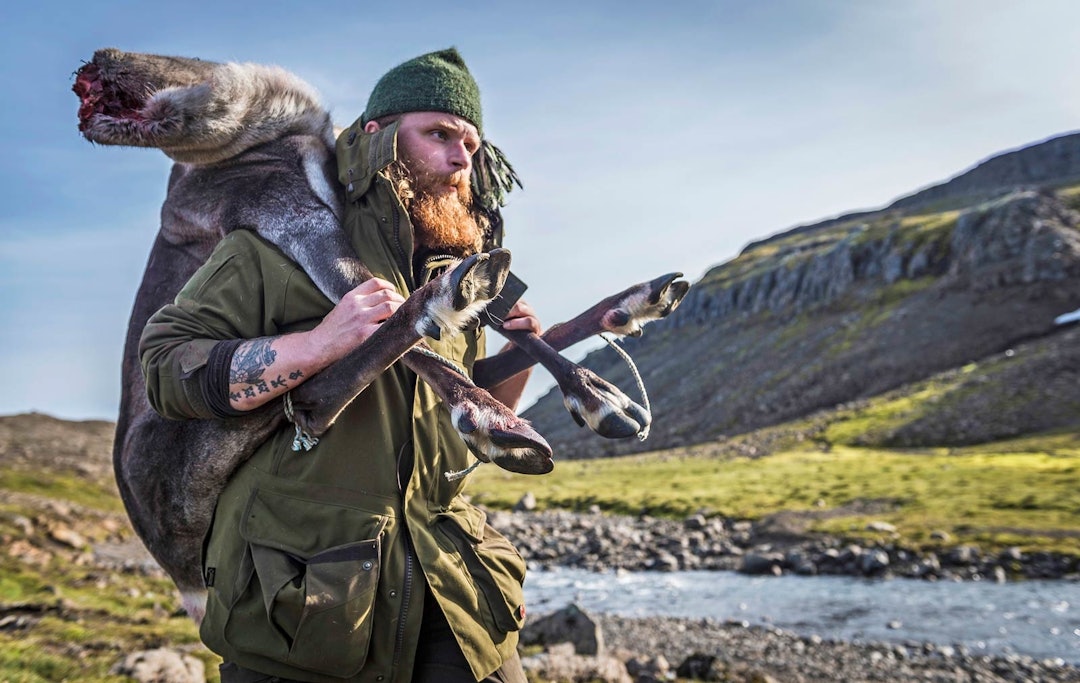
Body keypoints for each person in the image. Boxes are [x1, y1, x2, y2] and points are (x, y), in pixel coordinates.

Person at [140, 48, 535, 683]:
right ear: (376, 138)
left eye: (470, 143)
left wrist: (519, 355)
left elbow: (467, 425)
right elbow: (165, 365)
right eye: (438, 134)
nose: (462, 159)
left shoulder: (452, 277)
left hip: (457, 599)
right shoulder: (277, 242)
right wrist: (320, 343)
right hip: (305, 611)